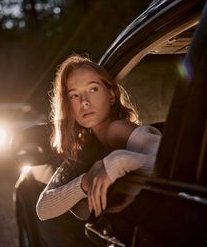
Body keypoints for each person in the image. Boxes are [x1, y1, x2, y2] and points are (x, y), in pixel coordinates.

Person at [36, 54, 161, 220]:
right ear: (68, 106)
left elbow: (172, 165)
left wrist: (119, 161)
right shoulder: (86, 146)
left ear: (111, 95)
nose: (84, 102)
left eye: (93, 89)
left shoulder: (118, 129)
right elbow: (43, 209)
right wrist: (86, 181)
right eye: (74, 95)